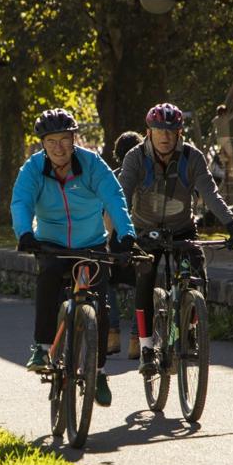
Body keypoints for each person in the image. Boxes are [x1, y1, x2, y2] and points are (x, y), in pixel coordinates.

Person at [118, 102, 233, 377]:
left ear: (180, 132)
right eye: (159, 131)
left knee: (197, 270)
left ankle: (191, 322)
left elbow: (211, 194)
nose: (166, 136)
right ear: (149, 131)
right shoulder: (135, 157)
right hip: (145, 230)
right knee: (145, 278)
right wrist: (121, 234)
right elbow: (121, 195)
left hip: (182, 228)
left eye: (172, 131)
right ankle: (146, 347)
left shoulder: (192, 157)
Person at [12, 108, 137, 408]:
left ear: (74, 139)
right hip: (52, 244)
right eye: (51, 141)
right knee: (48, 278)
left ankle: (100, 371)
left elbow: (114, 197)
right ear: (43, 143)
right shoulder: (32, 169)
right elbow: (21, 201)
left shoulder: (92, 164)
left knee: (102, 304)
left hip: (91, 243)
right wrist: (24, 234)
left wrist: (126, 232)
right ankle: (42, 348)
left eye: (65, 140)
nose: (59, 147)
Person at [107, 130, 144, 360]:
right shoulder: (145, 177)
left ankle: (112, 334)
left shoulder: (111, 177)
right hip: (140, 239)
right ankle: (135, 340)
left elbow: (106, 213)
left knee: (108, 284)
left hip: (116, 240)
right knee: (142, 286)